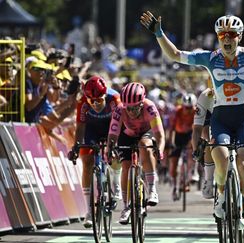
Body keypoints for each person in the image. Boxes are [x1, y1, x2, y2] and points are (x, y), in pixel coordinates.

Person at [140, 4, 244, 238]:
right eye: (222, 35)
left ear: (239, 37)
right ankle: (221, 195)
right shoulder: (210, 58)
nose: (227, 39)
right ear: (218, 37)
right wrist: (159, 34)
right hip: (221, 117)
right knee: (220, 159)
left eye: (231, 35)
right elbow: (175, 55)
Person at [106, 82, 165, 224]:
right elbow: (113, 134)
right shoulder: (120, 109)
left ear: (142, 103)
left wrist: (160, 150)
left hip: (146, 132)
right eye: (128, 108)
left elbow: (160, 134)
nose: (131, 112)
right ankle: (126, 206)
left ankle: (151, 189)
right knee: (125, 166)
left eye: (134, 108)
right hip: (127, 134)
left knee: (144, 145)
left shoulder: (150, 107)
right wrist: (109, 150)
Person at [67, 76, 122, 228]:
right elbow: (80, 128)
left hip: (111, 126)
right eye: (92, 101)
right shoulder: (83, 103)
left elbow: (119, 124)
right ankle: (89, 211)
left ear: (105, 96)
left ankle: (115, 181)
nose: (96, 104)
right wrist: (76, 147)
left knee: (116, 151)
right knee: (87, 162)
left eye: (99, 100)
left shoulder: (115, 99)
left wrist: (114, 145)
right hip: (91, 130)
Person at [167, 93, 196, 201]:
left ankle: (189, 177)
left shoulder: (196, 111)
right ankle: (174, 186)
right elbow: (171, 129)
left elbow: (199, 128)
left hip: (190, 135)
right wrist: (170, 142)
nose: (188, 110)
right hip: (178, 136)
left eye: (190, 108)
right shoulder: (177, 111)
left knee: (191, 152)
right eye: (186, 108)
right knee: (174, 162)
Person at [191, 87, 215, 199]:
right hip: (213, 123)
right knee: (210, 141)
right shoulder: (206, 96)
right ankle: (209, 179)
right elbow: (197, 129)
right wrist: (195, 150)